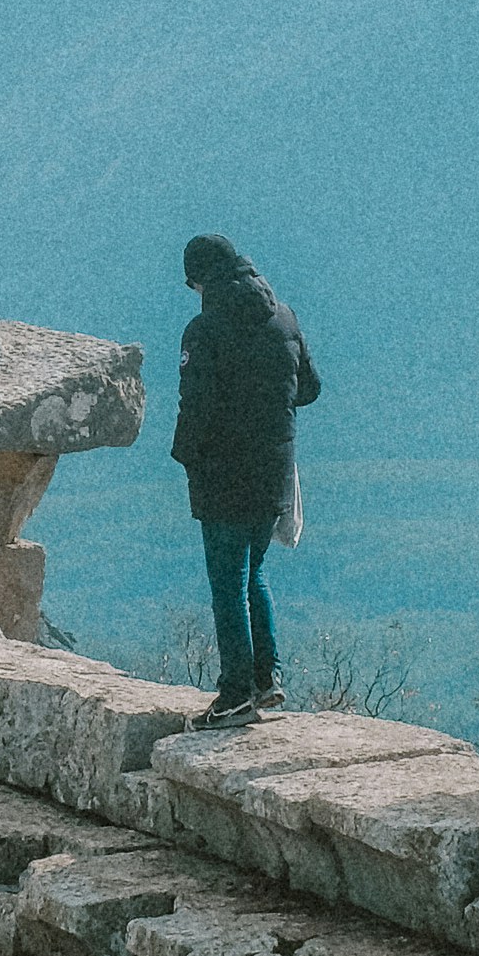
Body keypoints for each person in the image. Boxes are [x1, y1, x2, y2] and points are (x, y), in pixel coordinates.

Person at [171, 229, 319, 723]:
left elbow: (197, 406)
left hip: (224, 474)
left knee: (227, 583)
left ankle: (234, 695)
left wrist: (185, 455)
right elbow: (310, 388)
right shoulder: (284, 319)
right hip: (273, 472)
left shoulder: (204, 330)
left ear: (198, 279)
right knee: (254, 574)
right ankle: (267, 679)